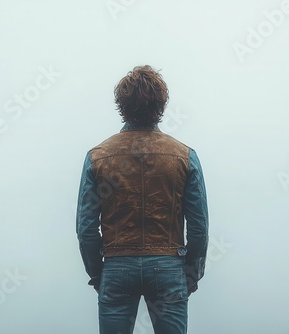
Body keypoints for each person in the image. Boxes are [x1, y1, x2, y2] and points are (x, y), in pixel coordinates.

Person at [76, 65, 209, 334]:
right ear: (161, 104)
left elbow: (86, 228)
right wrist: (191, 274)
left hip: (116, 265)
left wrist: (98, 273)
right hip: (168, 266)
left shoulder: (97, 157)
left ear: (122, 105)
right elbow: (199, 227)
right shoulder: (184, 156)